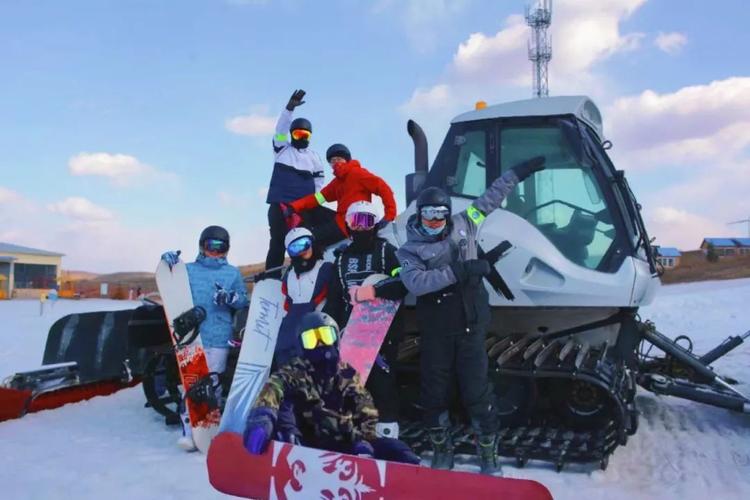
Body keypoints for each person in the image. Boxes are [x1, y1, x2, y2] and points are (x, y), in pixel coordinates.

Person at [396, 156, 546, 474]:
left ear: (448, 214)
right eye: (428, 215)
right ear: (419, 215)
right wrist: (460, 270)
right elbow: (417, 283)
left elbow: (491, 197)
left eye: (440, 214)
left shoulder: (467, 222)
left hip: (469, 325)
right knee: (434, 392)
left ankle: (487, 451)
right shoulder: (410, 250)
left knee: (477, 390)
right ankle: (441, 448)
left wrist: (516, 172)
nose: (435, 221)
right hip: (436, 330)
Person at [243, 311, 419, 464]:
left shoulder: (346, 374)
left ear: (335, 338)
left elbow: (365, 409)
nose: (320, 344)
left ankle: (414, 478)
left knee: (395, 449)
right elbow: (273, 389)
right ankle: (282, 449)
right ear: (301, 345)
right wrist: (262, 418)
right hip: (305, 443)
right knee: (288, 403)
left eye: (325, 336)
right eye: (312, 339)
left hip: (344, 444)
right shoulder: (294, 371)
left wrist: (363, 440)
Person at [323, 201, 408, 439]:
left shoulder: (386, 251)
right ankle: (356, 433)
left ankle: (388, 434)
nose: (361, 227)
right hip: (352, 334)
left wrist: (374, 291)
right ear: (349, 225)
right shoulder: (340, 259)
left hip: (382, 331)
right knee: (353, 385)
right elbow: (335, 299)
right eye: (355, 222)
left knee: (383, 385)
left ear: (375, 224)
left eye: (367, 221)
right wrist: (331, 329)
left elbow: (402, 283)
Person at [161, 225, 249, 451]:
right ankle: (189, 432)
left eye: (221, 248)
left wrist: (230, 297)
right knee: (191, 385)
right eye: (211, 246)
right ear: (202, 246)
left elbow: (243, 301)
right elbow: (172, 286)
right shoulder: (188, 270)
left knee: (214, 386)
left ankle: (210, 429)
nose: (215, 252)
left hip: (219, 336)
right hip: (192, 336)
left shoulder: (232, 273)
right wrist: (168, 264)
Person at [284, 144, 397, 248]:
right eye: (333, 161)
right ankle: (300, 233)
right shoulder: (337, 182)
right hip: (339, 219)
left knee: (311, 237)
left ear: (347, 160)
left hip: (352, 223)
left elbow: (384, 189)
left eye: (339, 159)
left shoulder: (358, 174)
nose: (336, 163)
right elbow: (318, 198)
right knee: (311, 209)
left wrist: (389, 215)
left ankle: (307, 245)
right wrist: (294, 207)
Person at [265, 89, 326, 278]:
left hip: (303, 207)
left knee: (304, 241)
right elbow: (280, 130)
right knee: (277, 241)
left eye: (305, 134)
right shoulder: (282, 149)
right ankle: (271, 278)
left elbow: (319, 181)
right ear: (292, 135)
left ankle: (307, 274)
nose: (302, 137)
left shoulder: (314, 157)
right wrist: (289, 108)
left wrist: (315, 202)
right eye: (298, 134)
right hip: (280, 204)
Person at [274, 227, 336, 366]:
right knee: (287, 364)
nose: (302, 250)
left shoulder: (325, 268)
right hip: (291, 328)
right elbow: (287, 303)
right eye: (295, 248)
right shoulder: (289, 275)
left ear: (312, 243)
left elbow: (334, 299)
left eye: (305, 244)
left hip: (318, 325)